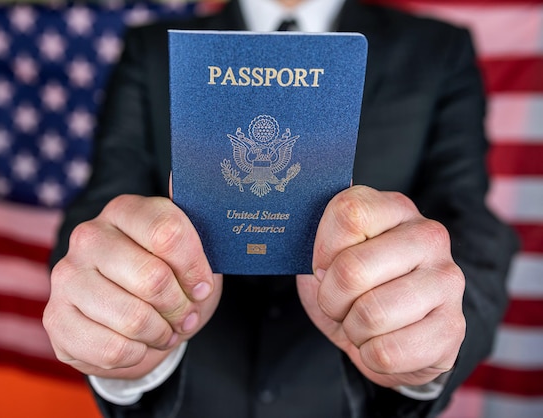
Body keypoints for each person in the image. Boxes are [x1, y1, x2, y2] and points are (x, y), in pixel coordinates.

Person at [43, 0, 519, 416]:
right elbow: (97, 216)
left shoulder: (437, 49)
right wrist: (121, 326)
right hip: (192, 398)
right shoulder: (152, 49)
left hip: (347, 400)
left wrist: (427, 339)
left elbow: (468, 225)